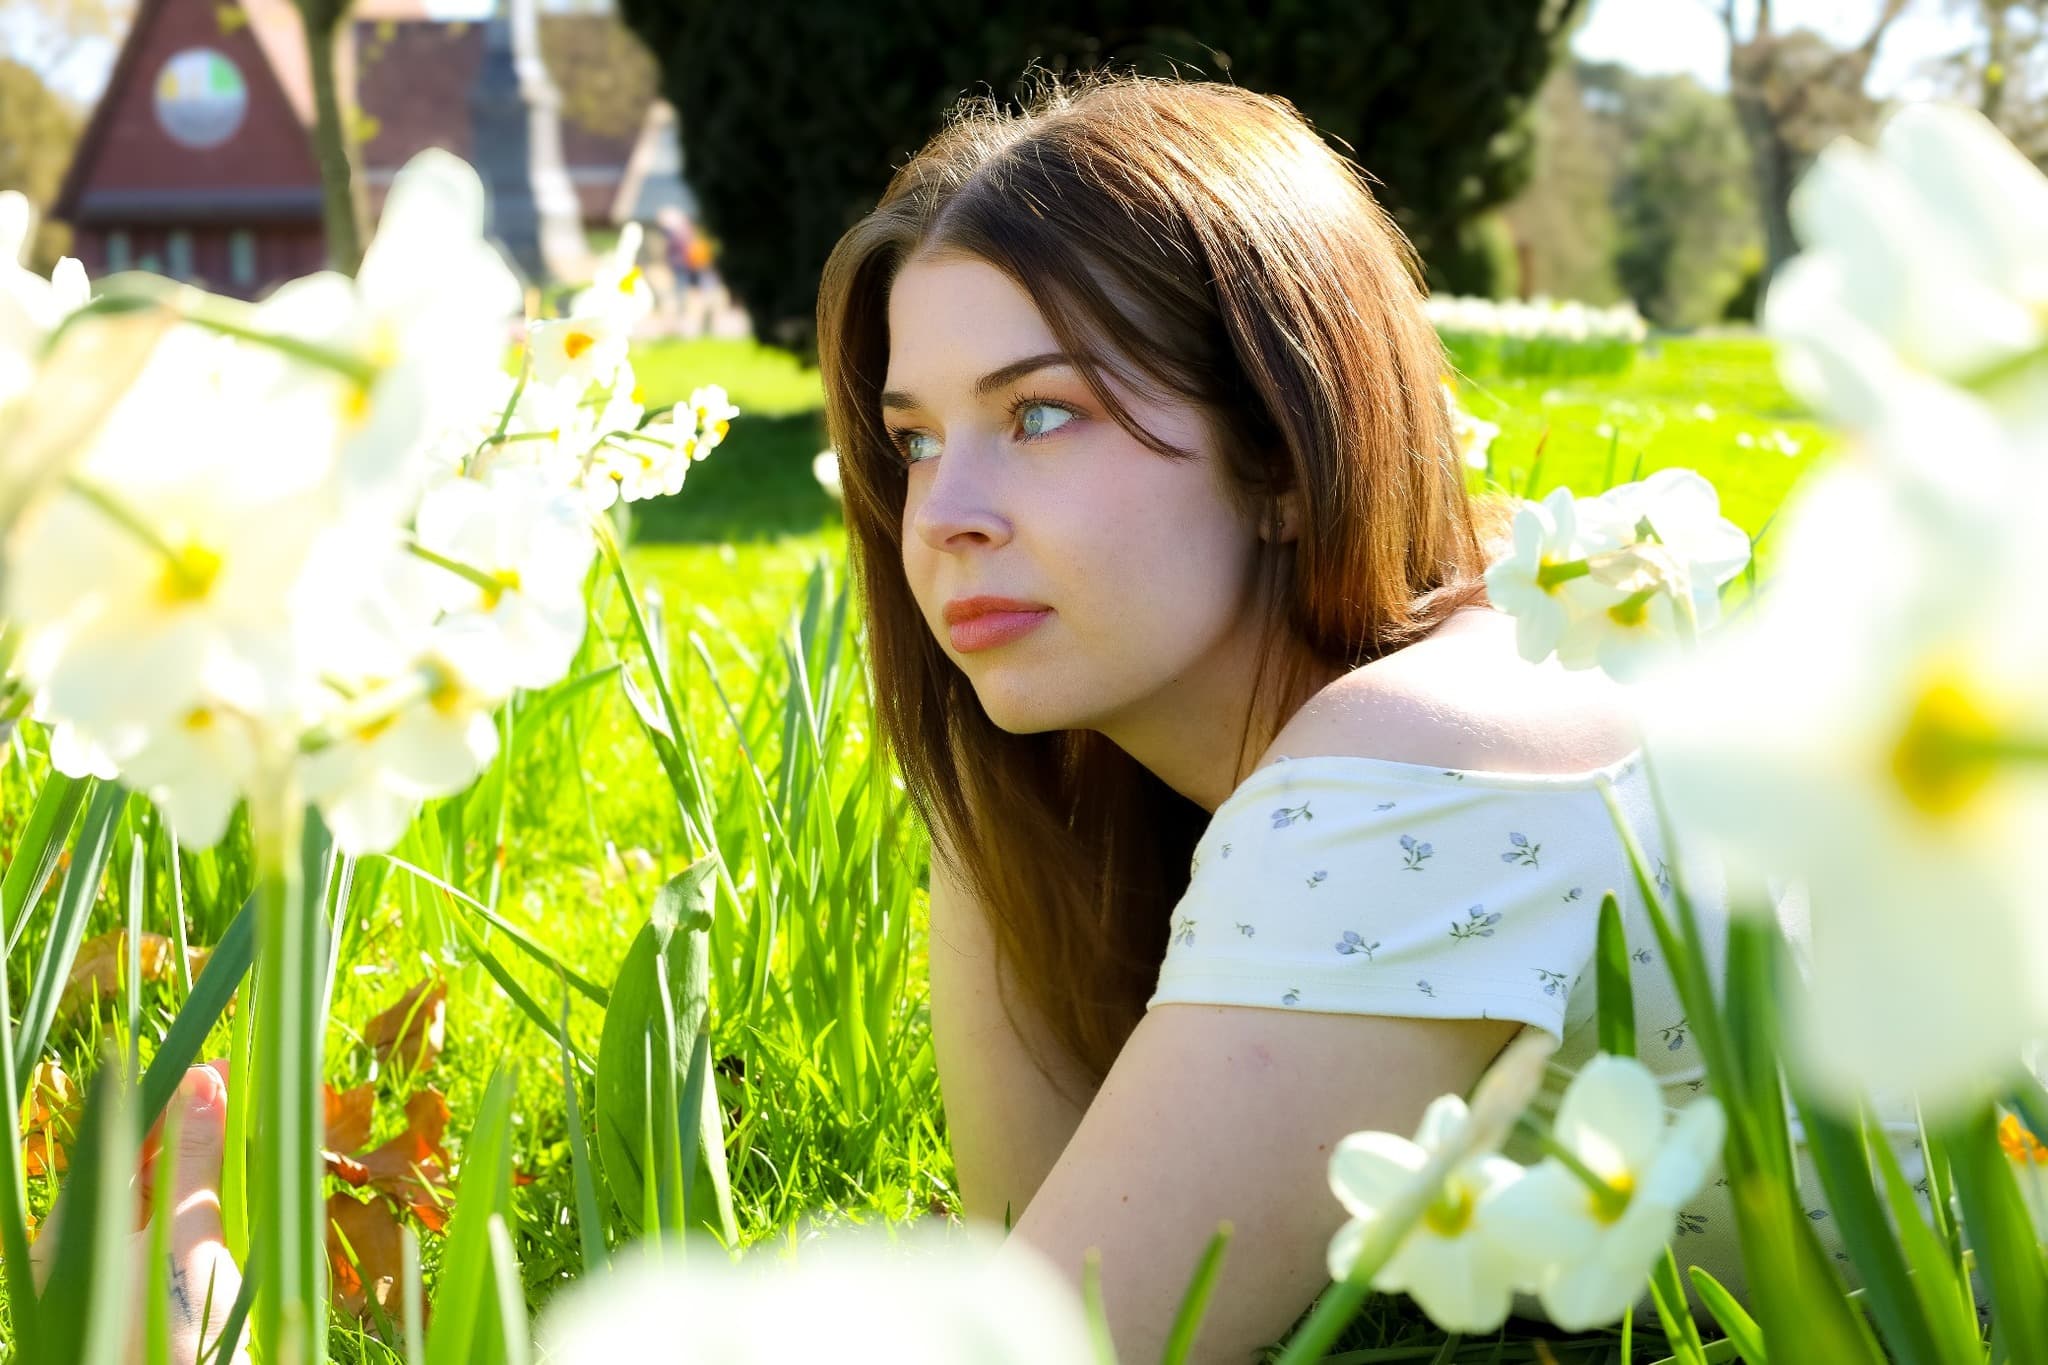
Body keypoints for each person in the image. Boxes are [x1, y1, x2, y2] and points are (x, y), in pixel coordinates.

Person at [813, 70, 1903, 1362]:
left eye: (1041, 413)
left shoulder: (1407, 771)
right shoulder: (1487, 641)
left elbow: (1051, 1339)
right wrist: (989, 783)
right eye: (916, 439)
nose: (941, 517)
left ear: (1281, 450)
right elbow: (1036, 1238)